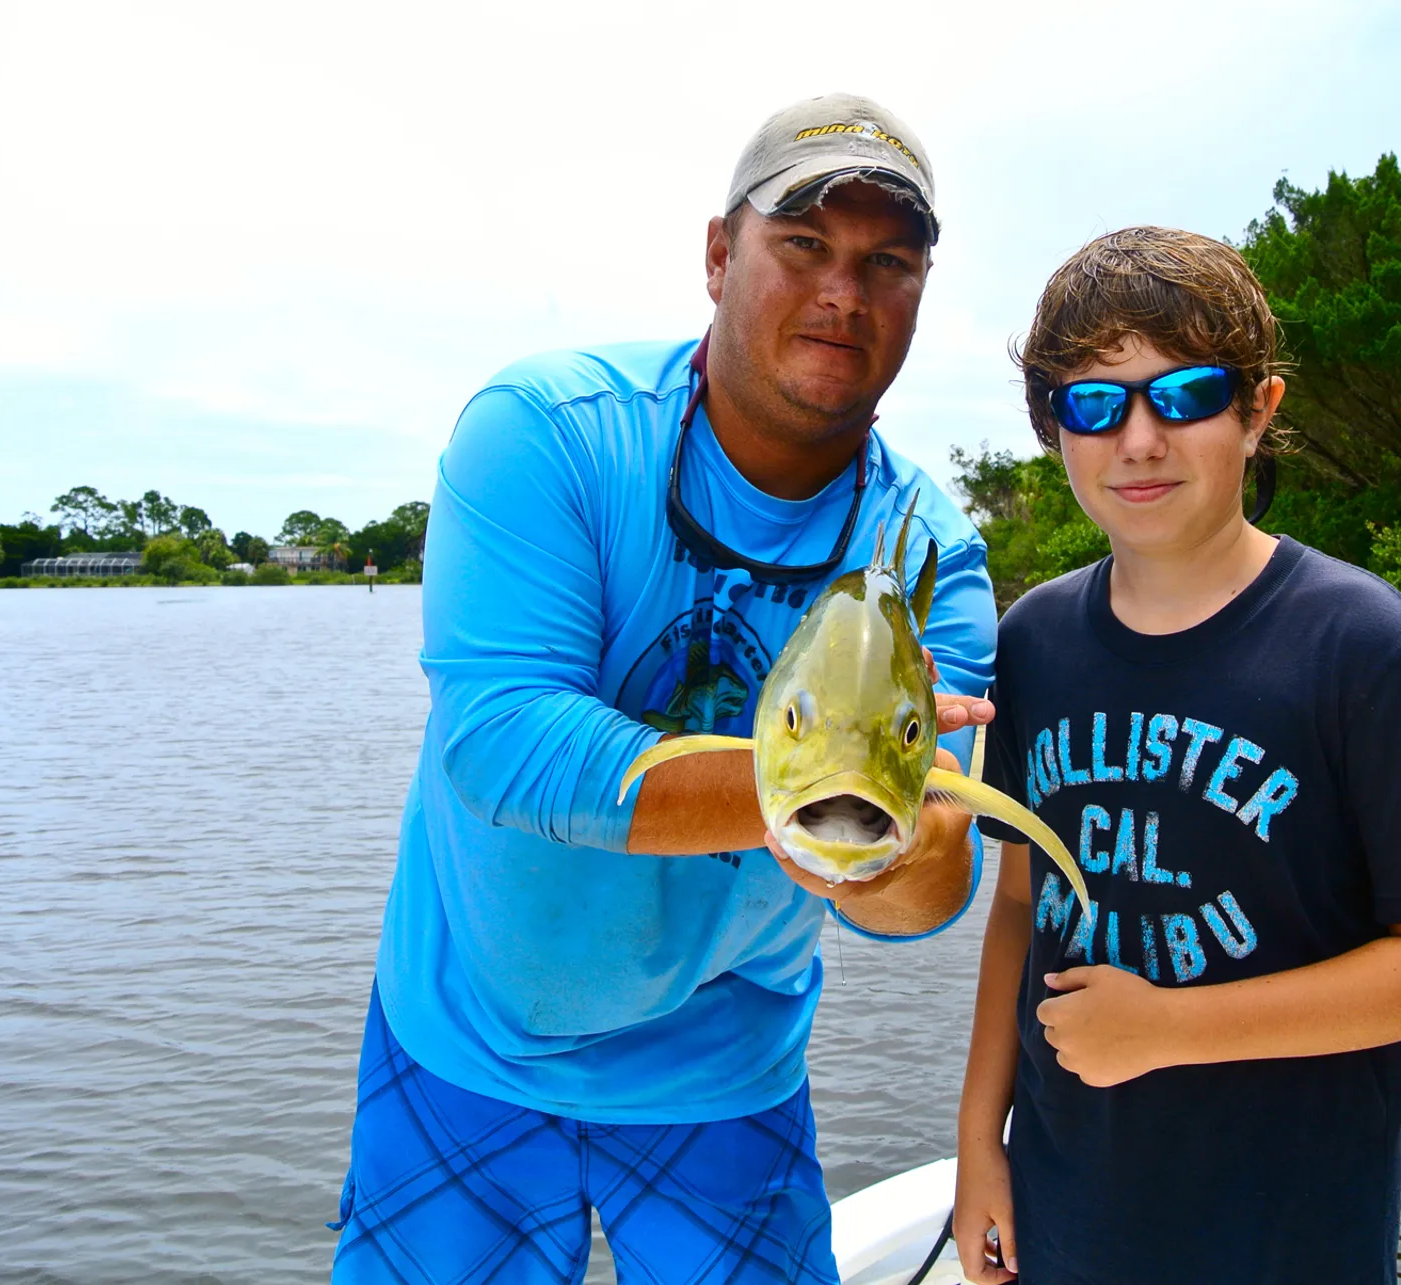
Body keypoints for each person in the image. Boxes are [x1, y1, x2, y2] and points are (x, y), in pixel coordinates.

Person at [330, 94, 1000, 1284]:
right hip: (469, 1039)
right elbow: (506, 745)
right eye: (804, 245)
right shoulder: (546, 433)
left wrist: (904, 845)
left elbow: (921, 901)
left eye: (887, 262)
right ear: (715, 255)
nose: (845, 292)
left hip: (725, 1065)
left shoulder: (928, 548)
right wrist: (841, 777)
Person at [952, 226, 1401, 1285]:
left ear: (1259, 410)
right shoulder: (1031, 644)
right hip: (1063, 1221)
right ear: (1055, 429)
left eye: (1183, 395)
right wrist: (976, 1146)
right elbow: (1017, 904)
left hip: (1286, 1241)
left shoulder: (1363, 645)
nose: (1138, 439)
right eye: (1094, 402)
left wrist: (1169, 1027)